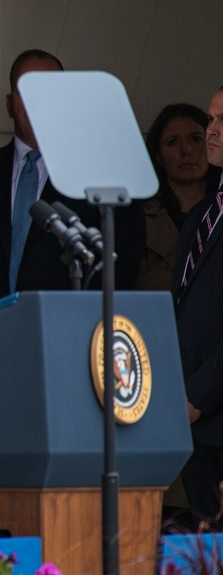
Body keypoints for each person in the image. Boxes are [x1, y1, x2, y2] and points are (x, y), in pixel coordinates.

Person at [0, 49, 145, 304]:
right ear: (9, 104)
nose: (36, 100)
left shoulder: (104, 179)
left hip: (70, 332)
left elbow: (122, 269)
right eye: (25, 90)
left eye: (48, 90)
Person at [172, 86, 223, 530]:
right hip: (189, 421)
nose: (213, 131)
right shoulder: (204, 212)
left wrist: (198, 396)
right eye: (210, 119)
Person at [138, 103, 219, 290]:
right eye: (172, 142)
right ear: (158, 156)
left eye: (196, 139)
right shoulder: (137, 218)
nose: (186, 150)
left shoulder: (218, 211)